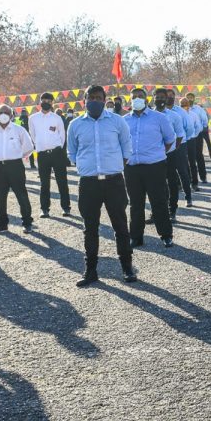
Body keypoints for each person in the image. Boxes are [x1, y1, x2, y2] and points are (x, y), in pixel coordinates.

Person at [67, 85, 137, 285]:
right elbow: (72, 151)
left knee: (120, 226)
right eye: (91, 97)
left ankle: (127, 268)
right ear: (84, 100)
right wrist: (84, 166)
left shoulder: (117, 121)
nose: (95, 101)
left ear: (105, 100)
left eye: (99, 98)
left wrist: (115, 166)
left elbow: (126, 146)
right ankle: (90, 271)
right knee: (90, 228)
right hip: (88, 183)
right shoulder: (75, 124)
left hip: (114, 181)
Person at [124, 87, 175, 248]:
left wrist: (157, 154)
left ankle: (166, 235)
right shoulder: (124, 120)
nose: (137, 99)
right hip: (132, 168)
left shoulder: (159, 118)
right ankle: (136, 237)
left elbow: (169, 139)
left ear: (146, 99)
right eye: (134, 97)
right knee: (135, 203)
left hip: (155, 167)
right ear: (130, 100)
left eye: (140, 96)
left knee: (159, 201)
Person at [0, 103, 35, 234]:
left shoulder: (19, 130)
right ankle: (1, 224)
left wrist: (17, 157)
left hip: (15, 166)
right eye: (0, 113)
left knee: (21, 195)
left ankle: (27, 223)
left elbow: (29, 147)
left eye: (6, 113)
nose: (3, 115)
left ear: (12, 115)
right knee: (0, 197)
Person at [29, 92, 72, 218]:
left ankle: (66, 208)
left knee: (62, 181)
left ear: (52, 103)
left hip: (57, 153)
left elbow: (62, 136)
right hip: (42, 154)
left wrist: (57, 148)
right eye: (44, 100)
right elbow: (33, 135)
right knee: (44, 183)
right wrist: (40, 146)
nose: (46, 103)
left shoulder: (57, 118)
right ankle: (44, 209)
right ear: (40, 102)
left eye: (49, 101)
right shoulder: (33, 118)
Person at [155, 89, 193, 217]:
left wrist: (174, 148)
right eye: (157, 97)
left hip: (175, 150)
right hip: (156, 154)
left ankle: (178, 204)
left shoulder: (177, 114)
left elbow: (186, 131)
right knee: (158, 182)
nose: (160, 100)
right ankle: (160, 210)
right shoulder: (150, 115)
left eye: (163, 97)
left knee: (178, 175)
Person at [186, 92, 211, 182]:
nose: (189, 99)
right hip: (187, 137)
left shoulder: (198, 109)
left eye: (191, 97)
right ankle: (190, 178)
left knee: (199, 155)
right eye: (188, 97)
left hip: (198, 135)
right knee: (188, 157)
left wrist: (201, 129)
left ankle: (203, 176)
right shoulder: (182, 109)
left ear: (194, 98)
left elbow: (205, 120)